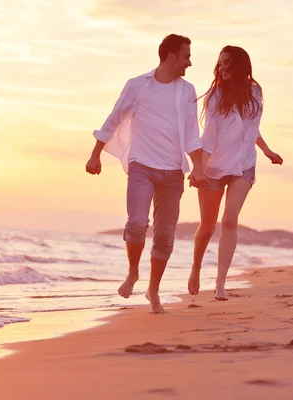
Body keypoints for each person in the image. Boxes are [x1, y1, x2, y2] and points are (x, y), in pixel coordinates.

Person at [85, 34, 208, 313]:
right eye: (186, 56)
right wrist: (95, 154)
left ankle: (153, 289)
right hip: (142, 165)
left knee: (165, 235)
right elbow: (114, 118)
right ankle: (132, 272)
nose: (190, 62)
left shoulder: (186, 91)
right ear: (171, 56)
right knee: (137, 223)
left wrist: (197, 167)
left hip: (173, 173)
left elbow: (192, 132)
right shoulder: (138, 85)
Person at [188, 45, 283, 300]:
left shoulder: (255, 92)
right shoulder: (215, 97)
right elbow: (209, 137)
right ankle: (196, 268)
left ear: (240, 66)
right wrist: (198, 168)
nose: (222, 67)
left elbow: (252, 129)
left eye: (227, 63)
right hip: (214, 166)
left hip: (244, 164)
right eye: (220, 63)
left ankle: (220, 282)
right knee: (207, 227)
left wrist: (267, 150)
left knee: (229, 220)